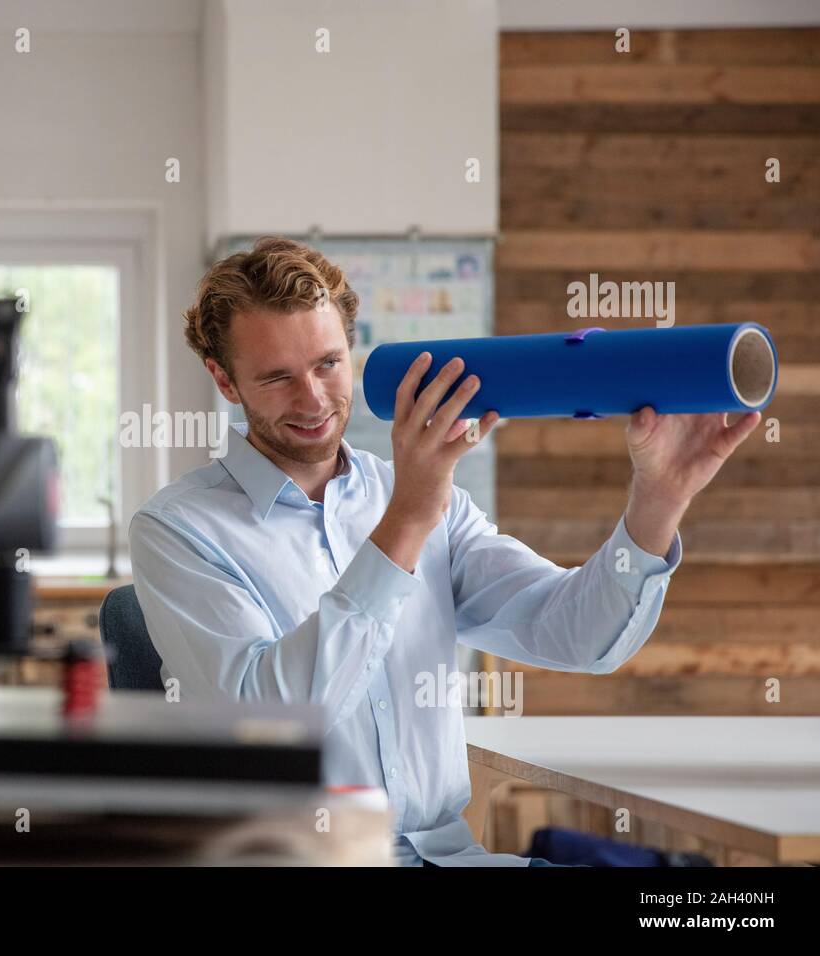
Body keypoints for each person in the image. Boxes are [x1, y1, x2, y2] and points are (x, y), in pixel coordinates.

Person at [129, 236, 761, 866]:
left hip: (451, 857)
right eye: (276, 377)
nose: (314, 400)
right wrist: (407, 519)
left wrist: (659, 498)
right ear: (224, 379)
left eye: (327, 363)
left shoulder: (420, 496)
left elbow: (579, 637)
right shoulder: (180, 530)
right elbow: (274, 727)